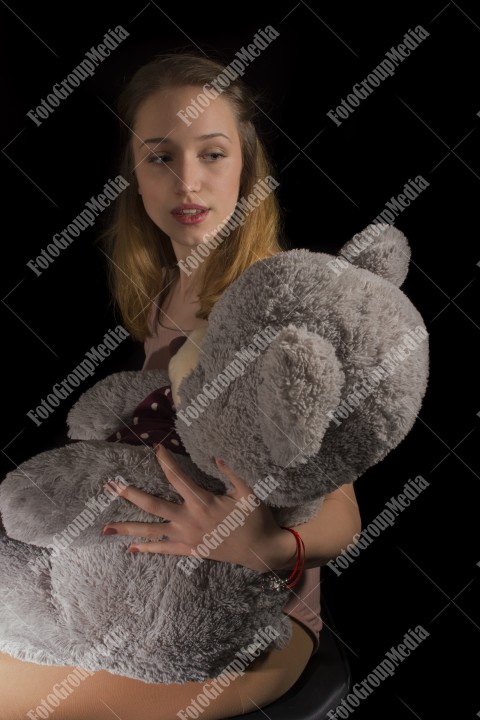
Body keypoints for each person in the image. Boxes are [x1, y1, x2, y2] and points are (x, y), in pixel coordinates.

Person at [0, 52, 361, 720]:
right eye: (161, 156)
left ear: (246, 168)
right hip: (128, 597)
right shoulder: (162, 290)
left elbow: (342, 514)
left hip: (254, 622)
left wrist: (264, 545)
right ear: (134, 175)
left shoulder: (279, 308)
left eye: (214, 154)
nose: (188, 180)